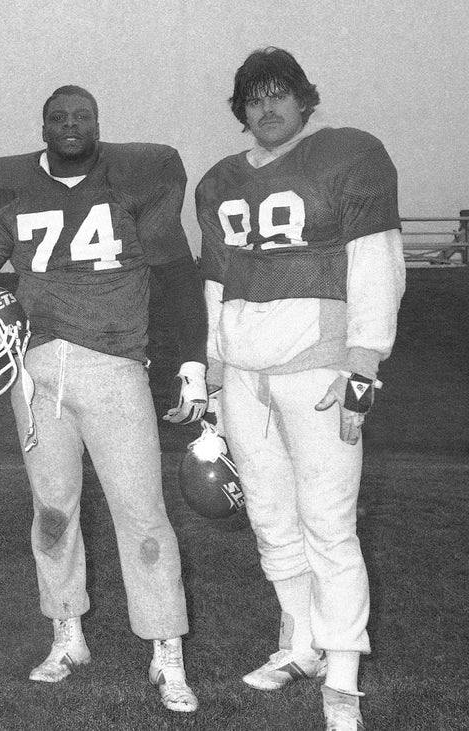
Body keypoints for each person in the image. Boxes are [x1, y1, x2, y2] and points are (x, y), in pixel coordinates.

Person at [0, 85, 207, 713]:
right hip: (34, 369)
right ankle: (66, 633)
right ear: (43, 126)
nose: (71, 125)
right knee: (52, 511)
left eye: (82, 116)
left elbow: (175, 274)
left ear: (98, 124)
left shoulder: (134, 180)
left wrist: (192, 361)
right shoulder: (10, 188)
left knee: (142, 513)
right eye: (59, 117)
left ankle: (166, 649)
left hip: (115, 366)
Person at [195, 47, 404, 731]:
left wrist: (362, 368)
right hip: (245, 373)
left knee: (329, 526)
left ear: (304, 99)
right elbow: (217, 284)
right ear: (240, 109)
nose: (267, 107)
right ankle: (301, 644)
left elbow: (376, 262)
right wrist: (214, 371)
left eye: (279, 93)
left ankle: (342, 678)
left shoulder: (349, 155)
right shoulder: (220, 180)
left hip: (320, 369)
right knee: (270, 518)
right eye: (253, 97)